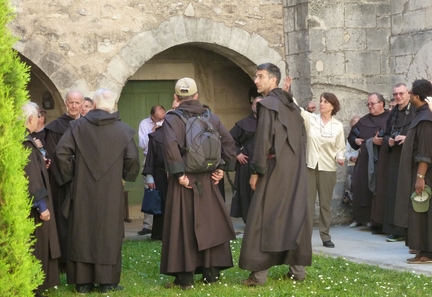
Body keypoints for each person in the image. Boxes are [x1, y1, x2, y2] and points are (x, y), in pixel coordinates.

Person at [55, 89, 140, 293]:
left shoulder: (77, 127)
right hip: (110, 191)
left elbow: (61, 153)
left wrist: (73, 176)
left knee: (82, 231)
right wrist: (123, 178)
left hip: (82, 189)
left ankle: (83, 283)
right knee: (108, 232)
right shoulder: (123, 130)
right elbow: (133, 159)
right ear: (112, 106)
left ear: (93, 105)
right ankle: (107, 282)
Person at [161, 77, 237, 289]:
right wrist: (222, 168)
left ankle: (184, 279)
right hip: (208, 179)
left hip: (184, 180)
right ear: (196, 96)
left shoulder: (172, 118)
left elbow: (170, 147)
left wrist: (178, 174)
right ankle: (210, 274)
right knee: (210, 224)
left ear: (176, 98)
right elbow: (229, 142)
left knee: (182, 226)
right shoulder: (210, 116)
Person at [239, 63, 311, 286]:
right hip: (295, 171)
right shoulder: (292, 106)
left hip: (274, 170)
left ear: (274, 80)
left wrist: (256, 172)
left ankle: (258, 276)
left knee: (262, 218)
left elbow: (262, 143)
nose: (256, 81)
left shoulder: (268, 105)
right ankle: (297, 272)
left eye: (260, 76)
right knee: (294, 215)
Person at [22, 102, 60, 297]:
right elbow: (31, 177)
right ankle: (35, 286)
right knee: (38, 244)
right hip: (34, 207)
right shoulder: (26, 142)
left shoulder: (27, 140)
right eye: (36, 116)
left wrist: (41, 161)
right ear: (30, 119)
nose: (38, 120)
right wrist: (41, 206)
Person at [44, 90, 84, 270]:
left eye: (77, 102)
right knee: (63, 220)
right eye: (71, 102)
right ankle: (64, 261)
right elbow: (54, 156)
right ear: (66, 103)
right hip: (63, 183)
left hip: (84, 183)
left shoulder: (87, 126)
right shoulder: (55, 128)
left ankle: (81, 259)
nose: (74, 106)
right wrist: (70, 177)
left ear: (83, 104)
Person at [394, 79, 432, 264]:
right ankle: (422, 249)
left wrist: (420, 177)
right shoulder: (420, 114)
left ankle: (427, 252)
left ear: (417, 96)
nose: (407, 94)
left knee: (423, 210)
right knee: (419, 210)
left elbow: (425, 151)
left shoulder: (426, 119)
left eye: (410, 92)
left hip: (424, 175)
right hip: (418, 173)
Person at [301, 92, 345, 248]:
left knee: (325, 204)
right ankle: (304, 237)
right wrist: (286, 90)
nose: (322, 104)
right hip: (311, 166)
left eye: (325, 102)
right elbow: (296, 108)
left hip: (328, 168)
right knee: (307, 203)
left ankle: (325, 236)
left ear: (333, 106)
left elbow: (340, 148)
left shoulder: (338, 126)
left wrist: (340, 157)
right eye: (321, 101)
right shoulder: (311, 119)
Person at [375, 83, 414, 242]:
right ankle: (395, 229)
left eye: (401, 93)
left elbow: (421, 133)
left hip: (410, 157)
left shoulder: (416, 111)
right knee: (394, 192)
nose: (398, 97)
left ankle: (410, 230)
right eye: (395, 94)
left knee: (407, 191)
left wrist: (407, 138)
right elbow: (385, 134)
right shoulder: (393, 113)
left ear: (408, 94)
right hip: (395, 156)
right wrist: (389, 141)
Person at [347, 93, 389, 233]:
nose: (370, 106)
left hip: (381, 162)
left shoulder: (389, 118)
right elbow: (352, 135)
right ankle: (361, 218)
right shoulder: (364, 120)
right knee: (360, 187)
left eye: (373, 103)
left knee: (377, 189)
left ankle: (375, 220)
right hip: (363, 160)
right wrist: (356, 141)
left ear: (382, 103)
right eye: (368, 104)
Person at [229, 95, 262, 223]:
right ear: (252, 106)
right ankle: (249, 221)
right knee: (246, 192)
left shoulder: (269, 123)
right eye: (256, 104)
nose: (258, 107)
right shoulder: (243, 123)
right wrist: (237, 153)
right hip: (246, 164)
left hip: (263, 163)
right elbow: (229, 139)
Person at [137, 105, 166, 235]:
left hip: (163, 161)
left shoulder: (168, 122)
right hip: (148, 160)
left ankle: (163, 224)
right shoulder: (144, 124)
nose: (162, 117)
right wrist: (153, 133)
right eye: (160, 114)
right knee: (150, 191)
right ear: (152, 116)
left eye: (163, 114)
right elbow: (142, 144)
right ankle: (148, 225)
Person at [142, 124, 167, 240]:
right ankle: (159, 234)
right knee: (160, 205)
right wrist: (150, 178)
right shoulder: (155, 136)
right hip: (160, 175)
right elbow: (150, 158)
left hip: (177, 176)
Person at [345, 115, 360, 222]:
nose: (356, 124)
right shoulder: (350, 138)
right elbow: (345, 151)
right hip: (352, 165)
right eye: (354, 122)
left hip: (362, 165)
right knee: (352, 192)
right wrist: (350, 157)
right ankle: (355, 218)